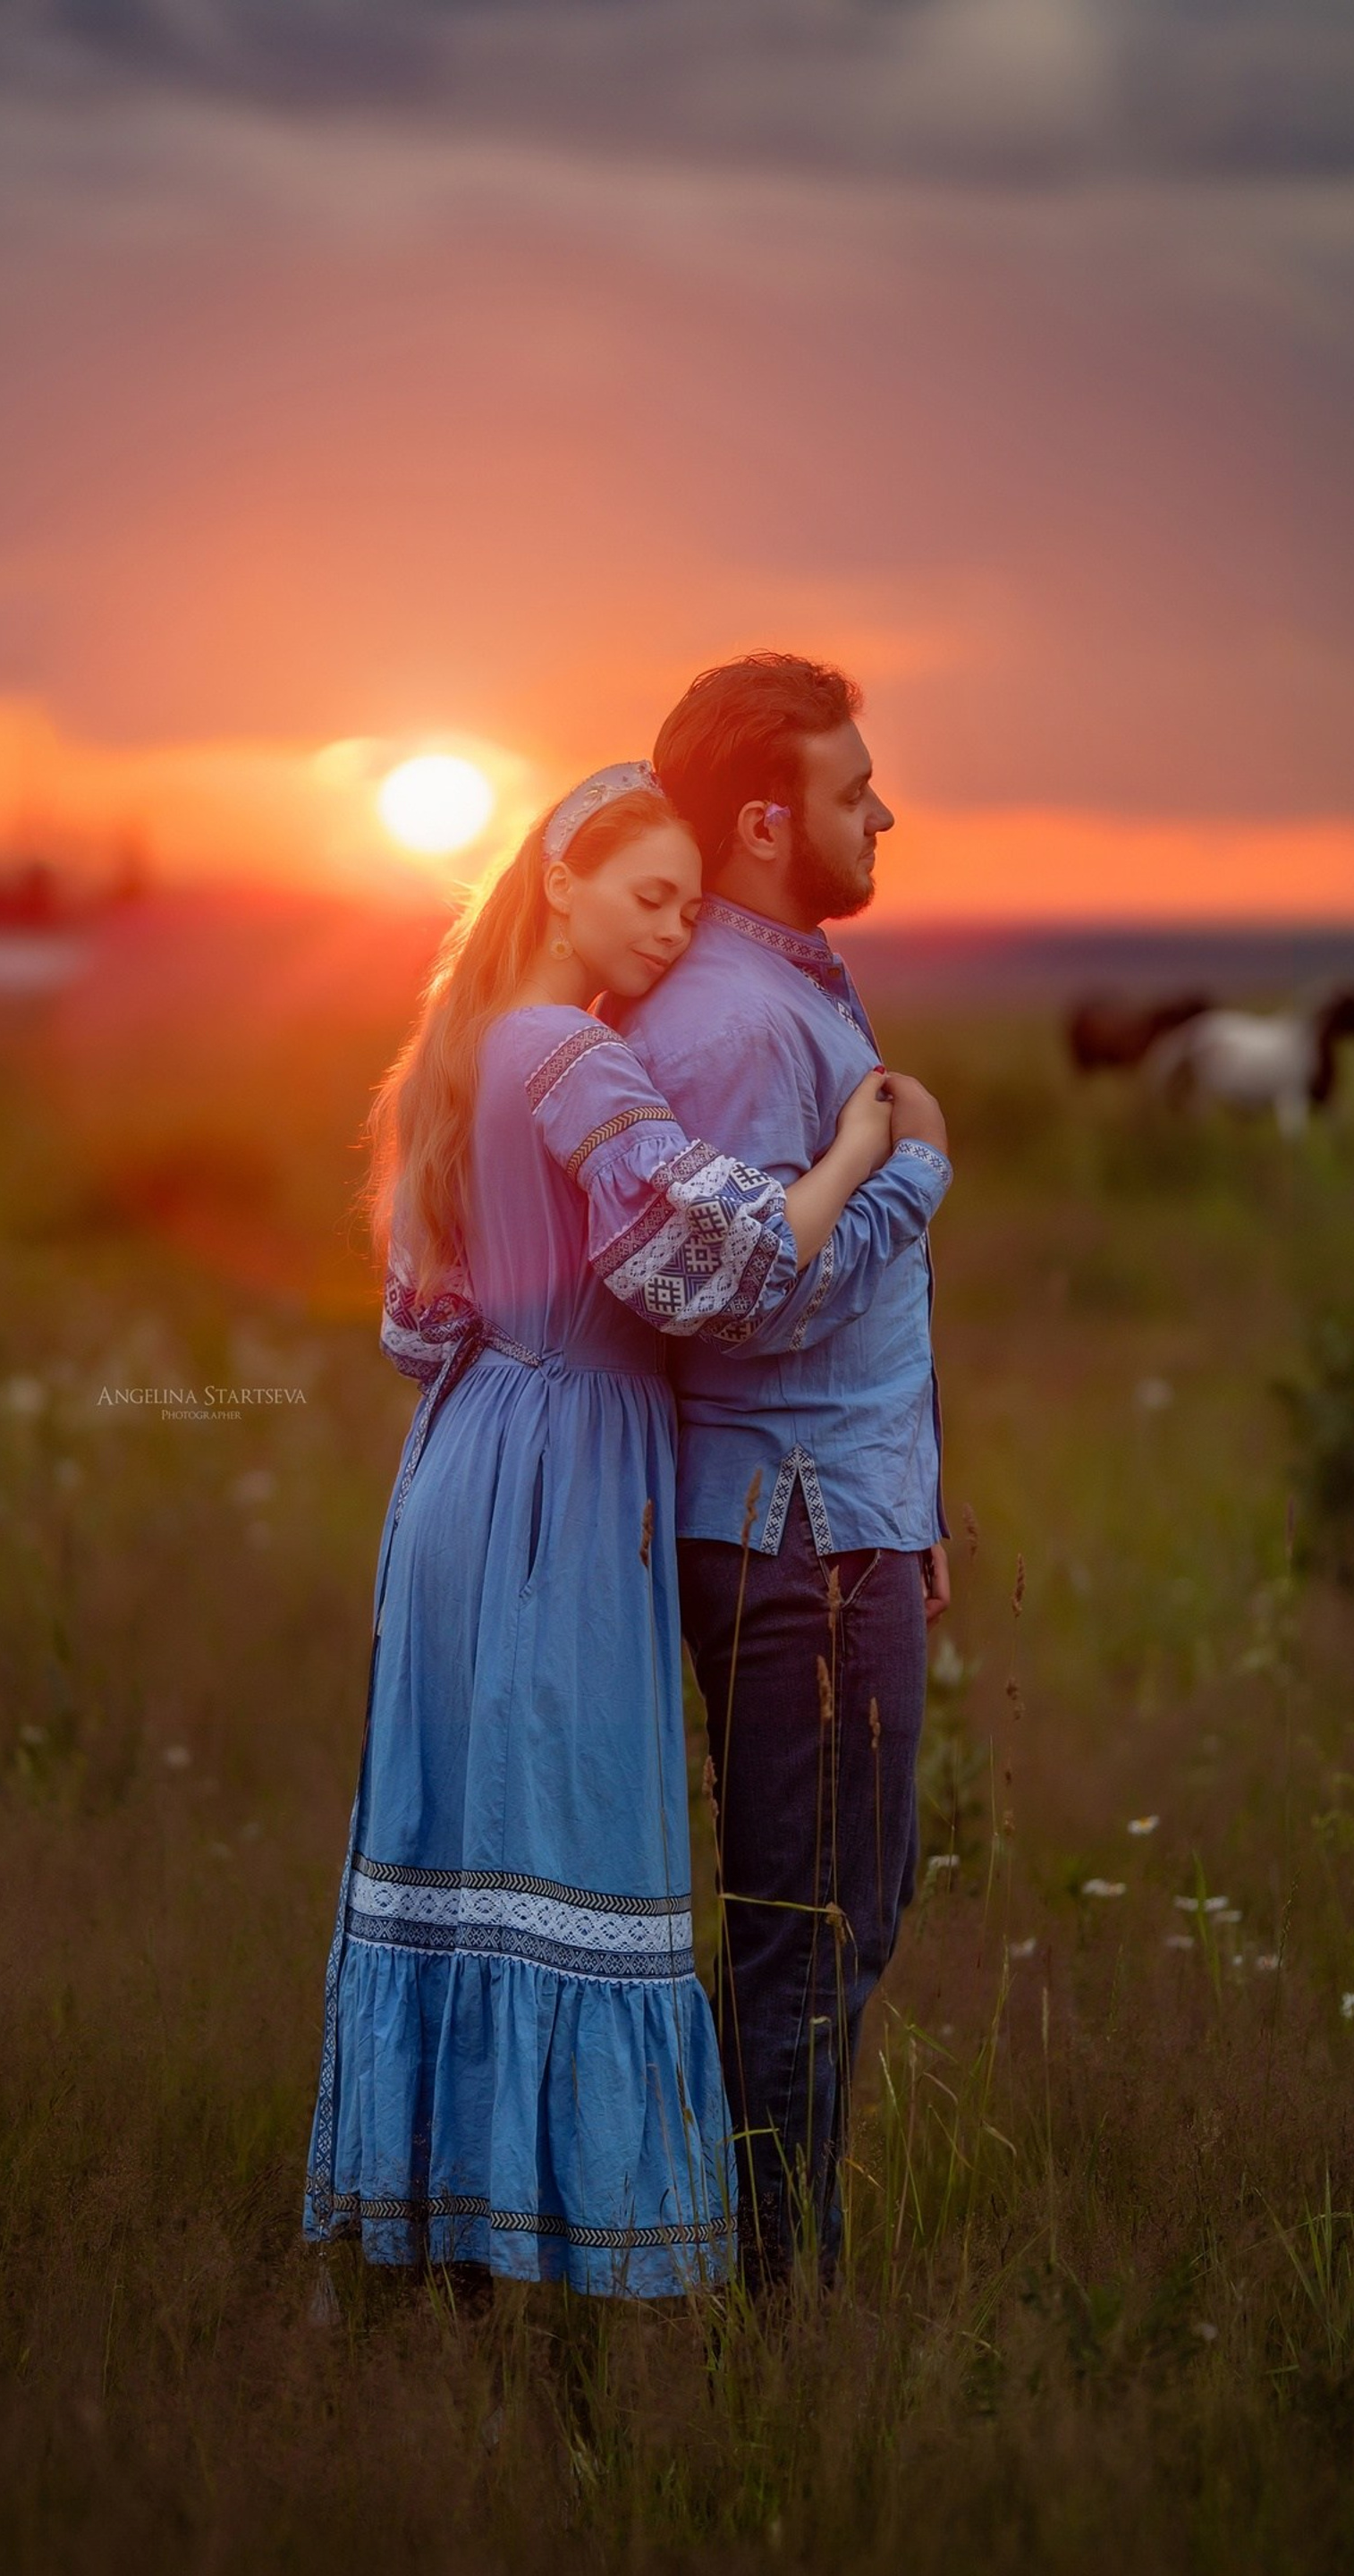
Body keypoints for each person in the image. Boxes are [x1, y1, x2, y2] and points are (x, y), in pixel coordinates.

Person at [302, 759, 944, 2298]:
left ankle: (458, 2242)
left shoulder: (462, 1054)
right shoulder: (570, 1059)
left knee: (469, 1854)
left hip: (465, 1454)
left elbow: (416, 1318)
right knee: (567, 1847)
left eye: (684, 903)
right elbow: (718, 1261)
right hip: (565, 1475)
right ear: (561, 884)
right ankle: (578, 2257)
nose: (669, 934)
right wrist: (884, 1162)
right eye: (648, 900)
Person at [610, 652, 953, 2291]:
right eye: (851, 787)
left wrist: (918, 1503)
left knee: (837, 1916)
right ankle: (775, 2308)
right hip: (792, 1531)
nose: (882, 808)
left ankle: (769, 2271)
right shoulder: (741, 1023)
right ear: (764, 821)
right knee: (811, 1934)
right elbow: (755, 1300)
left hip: (844, 1513)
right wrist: (920, 1172)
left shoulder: (789, 981)